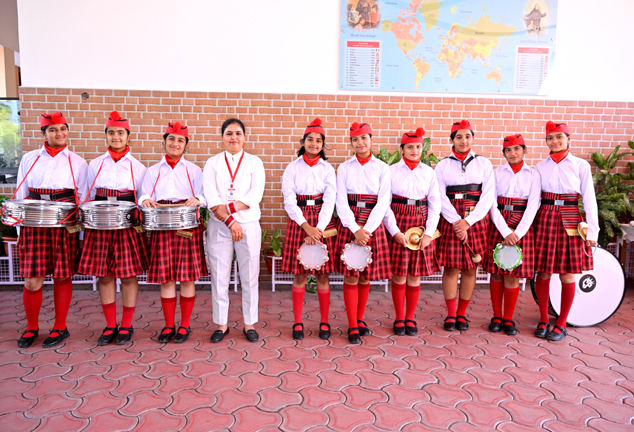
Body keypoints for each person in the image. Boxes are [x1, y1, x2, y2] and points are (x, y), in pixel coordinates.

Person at [14, 112, 88, 348]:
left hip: (64, 223)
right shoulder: (29, 159)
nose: (59, 133)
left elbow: (83, 199)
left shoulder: (78, 162)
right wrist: (19, 229)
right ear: (44, 133)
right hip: (33, 223)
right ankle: (31, 327)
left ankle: (60, 327)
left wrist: (81, 234)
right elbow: (20, 194)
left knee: (62, 275)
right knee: (32, 279)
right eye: (53, 129)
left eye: (63, 129)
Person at [78, 111, 148, 346]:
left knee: (128, 275)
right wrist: (83, 230)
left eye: (120, 133)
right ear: (106, 135)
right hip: (99, 227)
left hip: (127, 227)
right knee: (104, 275)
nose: (116, 137)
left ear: (128, 136)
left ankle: (126, 324)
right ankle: (110, 325)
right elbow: (87, 198)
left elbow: (142, 201)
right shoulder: (95, 164)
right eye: (111, 133)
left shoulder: (139, 168)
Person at [139, 122, 207, 344]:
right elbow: (143, 194)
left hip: (186, 226)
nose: (175, 144)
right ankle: (169, 325)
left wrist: (198, 199)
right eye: (171, 139)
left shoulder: (194, 170)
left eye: (180, 140)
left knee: (187, 278)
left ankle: (185, 325)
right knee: (166, 279)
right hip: (161, 226)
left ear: (186, 145)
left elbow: (204, 196)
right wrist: (145, 200)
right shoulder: (152, 171)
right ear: (164, 141)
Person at [533, 121, 598, 341]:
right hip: (545, 217)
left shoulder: (581, 165)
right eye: (550, 138)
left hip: (570, 217)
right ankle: (543, 319)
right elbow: (534, 200)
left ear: (568, 139)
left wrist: (592, 233)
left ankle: (561, 323)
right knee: (543, 271)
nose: (555, 141)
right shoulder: (540, 167)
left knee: (567, 273)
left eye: (559, 137)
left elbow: (589, 199)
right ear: (546, 141)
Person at [204, 118, 265, 343]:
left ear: (244, 137)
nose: (234, 137)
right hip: (220, 226)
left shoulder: (254, 162)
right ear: (222, 137)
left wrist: (229, 209)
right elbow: (211, 196)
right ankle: (222, 324)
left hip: (248, 224)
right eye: (229, 133)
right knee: (219, 275)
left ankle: (249, 323)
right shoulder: (212, 163)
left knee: (249, 276)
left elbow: (255, 195)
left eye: (238, 133)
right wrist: (230, 221)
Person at [435, 120, 495, 332]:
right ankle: (451, 314)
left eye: (467, 137)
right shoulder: (442, 166)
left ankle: (461, 314)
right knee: (451, 267)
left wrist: (468, 221)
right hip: (450, 218)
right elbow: (439, 196)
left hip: (475, 219)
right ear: (451, 140)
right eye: (459, 137)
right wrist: (456, 221)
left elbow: (488, 196)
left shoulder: (484, 164)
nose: (463, 141)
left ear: (472, 139)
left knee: (471, 267)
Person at [335, 121, 392, 344]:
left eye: (364, 138)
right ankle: (351, 325)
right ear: (351, 142)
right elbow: (341, 201)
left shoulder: (382, 168)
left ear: (371, 140)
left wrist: (367, 230)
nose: (360, 143)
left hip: (372, 224)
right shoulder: (344, 168)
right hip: (350, 222)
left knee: (365, 275)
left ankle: (359, 319)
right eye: (355, 139)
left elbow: (383, 201)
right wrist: (355, 229)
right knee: (351, 275)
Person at [281, 118, 337, 340]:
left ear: (323, 145)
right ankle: (297, 322)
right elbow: (289, 200)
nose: (314, 144)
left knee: (323, 276)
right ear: (303, 141)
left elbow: (330, 200)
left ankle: (324, 322)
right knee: (300, 275)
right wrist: (306, 227)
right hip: (300, 221)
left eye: (318, 140)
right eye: (310, 139)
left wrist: (319, 228)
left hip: (322, 221)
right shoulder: (292, 168)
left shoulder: (328, 169)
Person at [383, 128, 441, 336]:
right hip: (399, 222)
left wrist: (429, 234)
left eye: (418, 146)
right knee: (399, 275)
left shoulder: (429, 173)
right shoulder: (391, 171)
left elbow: (435, 204)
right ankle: (399, 318)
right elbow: (385, 204)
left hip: (420, 224)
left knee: (415, 275)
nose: (415, 150)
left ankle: (410, 317)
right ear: (402, 149)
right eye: (410, 147)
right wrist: (394, 231)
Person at [483, 134, 540, 335]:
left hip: (522, 224)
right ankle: (496, 316)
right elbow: (491, 203)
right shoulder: (496, 173)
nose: (513, 153)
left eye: (517, 149)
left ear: (524, 150)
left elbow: (533, 205)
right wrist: (505, 231)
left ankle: (508, 318)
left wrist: (518, 233)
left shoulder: (533, 175)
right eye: (508, 150)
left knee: (513, 274)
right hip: (499, 223)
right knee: (497, 273)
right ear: (504, 153)